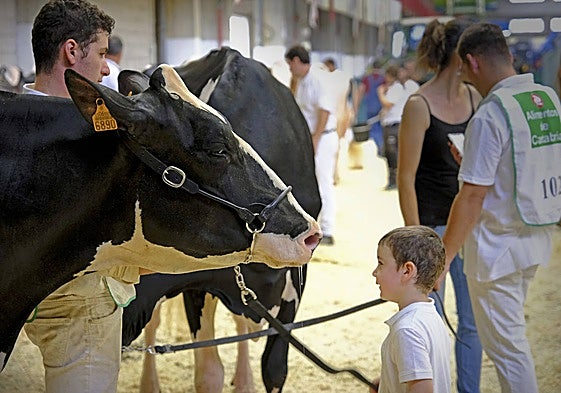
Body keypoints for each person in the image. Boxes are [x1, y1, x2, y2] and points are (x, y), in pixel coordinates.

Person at [22, 1, 147, 392]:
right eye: (101, 54)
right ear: (71, 51)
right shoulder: (82, 140)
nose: (107, 67)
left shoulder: (16, 123)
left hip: (33, 304)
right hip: (82, 308)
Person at [441, 22, 561, 393]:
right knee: (512, 341)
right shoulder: (547, 100)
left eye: (462, 68)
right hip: (533, 239)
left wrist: (443, 258)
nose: (462, 75)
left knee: (509, 351)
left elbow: (472, 196)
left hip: (497, 251)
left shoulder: (490, 115)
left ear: (472, 62)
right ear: (508, 56)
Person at [397, 18, 483, 393]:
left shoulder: (475, 99)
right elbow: (405, 177)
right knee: (431, 319)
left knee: (472, 320)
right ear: (460, 57)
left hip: (469, 225)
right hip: (433, 226)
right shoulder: (418, 105)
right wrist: (417, 239)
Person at [372, 225, 451, 393]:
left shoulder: (407, 330)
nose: (375, 272)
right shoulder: (431, 317)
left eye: (380, 264)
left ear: (407, 271)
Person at [285, 45, 338, 246]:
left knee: (324, 182)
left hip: (323, 137)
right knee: (313, 182)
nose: (291, 69)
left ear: (298, 61)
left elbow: (325, 111)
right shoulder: (302, 80)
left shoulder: (317, 79)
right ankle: (316, 227)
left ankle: (329, 229)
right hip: (312, 138)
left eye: (291, 65)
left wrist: (315, 139)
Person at [378, 64, 418, 190]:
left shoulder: (396, 88)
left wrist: (380, 93)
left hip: (394, 125)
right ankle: (392, 179)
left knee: (393, 153)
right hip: (389, 123)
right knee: (389, 153)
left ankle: (395, 179)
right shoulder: (392, 88)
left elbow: (388, 103)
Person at [353, 60, 385, 157]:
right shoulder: (383, 79)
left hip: (369, 109)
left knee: (370, 131)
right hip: (380, 109)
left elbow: (360, 92)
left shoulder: (367, 79)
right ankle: (379, 151)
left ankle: (371, 153)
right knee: (379, 131)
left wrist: (356, 108)